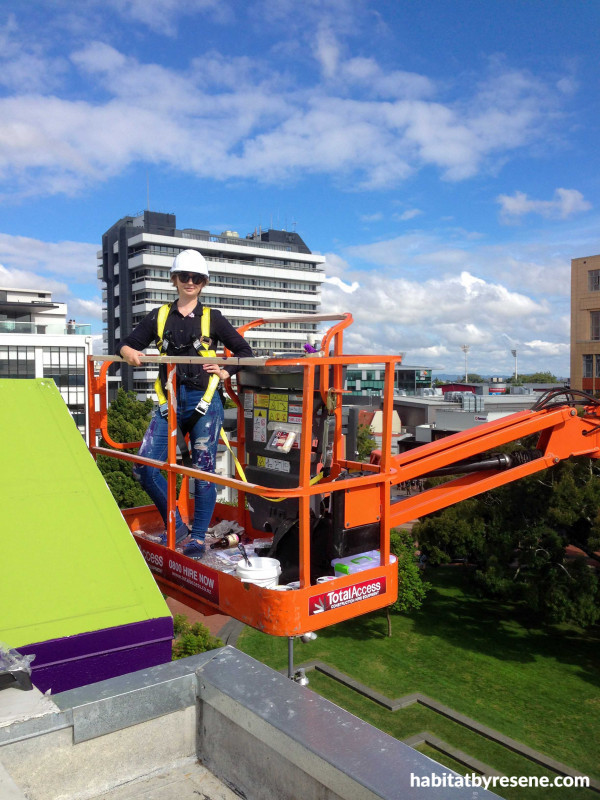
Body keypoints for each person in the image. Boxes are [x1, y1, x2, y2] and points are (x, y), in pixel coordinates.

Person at [119, 249, 254, 558]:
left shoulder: (212, 319)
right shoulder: (159, 316)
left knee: (203, 471)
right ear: (174, 280)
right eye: (184, 277)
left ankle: (195, 538)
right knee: (144, 468)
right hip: (170, 401)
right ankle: (176, 525)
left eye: (196, 278)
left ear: (203, 283)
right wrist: (127, 351)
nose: (189, 282)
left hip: (204, 401)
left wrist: (225, 370)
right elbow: (125, 342)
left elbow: (245, 352)